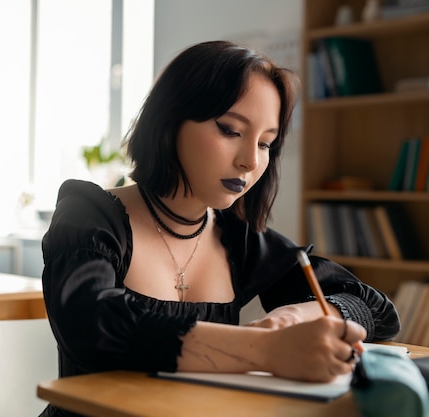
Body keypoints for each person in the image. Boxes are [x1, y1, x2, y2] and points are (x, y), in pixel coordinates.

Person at [40, 41, 400, 416]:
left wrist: (291, 319)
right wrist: (266, 350)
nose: (249, 161)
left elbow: (377, 308)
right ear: (171, 118)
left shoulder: (237, 237)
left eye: (266, 144)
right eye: (230, 130)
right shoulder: (90, 215)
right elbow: (91, 326)